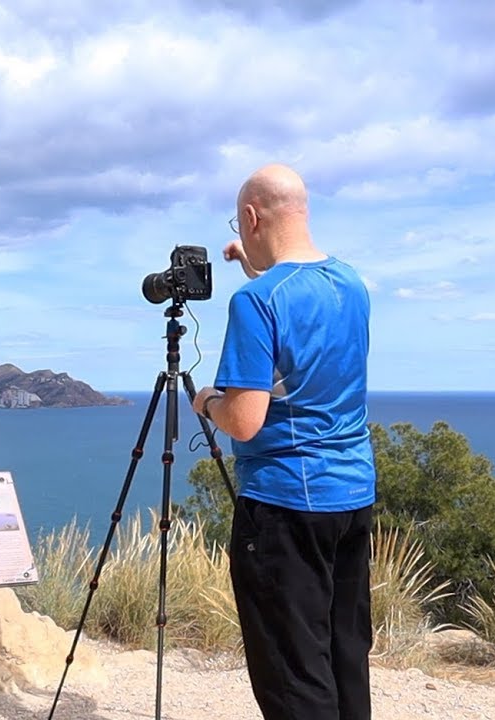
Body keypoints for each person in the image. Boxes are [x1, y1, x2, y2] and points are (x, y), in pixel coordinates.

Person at [192, 163, 377, 720]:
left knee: (295, 676)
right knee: (344, 656)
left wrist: (205, 402)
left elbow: (244, 421)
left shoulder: (256, 303)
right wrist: (252, 268)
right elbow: (299, 317)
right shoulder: (351, 284)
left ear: (250, 217)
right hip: (350, 498)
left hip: (284, 506)